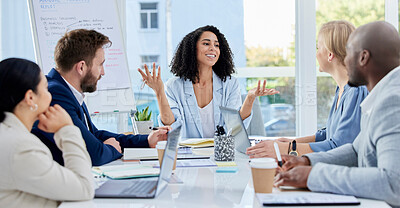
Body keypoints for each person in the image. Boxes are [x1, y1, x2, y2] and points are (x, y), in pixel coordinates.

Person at [274, 21, 400, 207]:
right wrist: (307, 161)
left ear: (363, 58)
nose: (344, 59)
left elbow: (393, 183)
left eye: (348, 52)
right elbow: (357, 150)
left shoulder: (393, 102)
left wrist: (314, 175)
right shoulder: (381, 95)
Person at [32, 29, 171, 166]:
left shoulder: (67, 90)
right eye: (100, 64)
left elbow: (94, 135)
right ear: (81, 67)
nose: (103, 72)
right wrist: (111, 149)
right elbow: (94, 154)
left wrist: (146, 140)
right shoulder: (55, 94)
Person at [246, 20, 368, 158]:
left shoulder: (356, 91)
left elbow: (340, 146)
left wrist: (287, 148)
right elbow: (329, 134)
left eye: (318, 48)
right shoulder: (342, 89)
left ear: (330, 54)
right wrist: (292, 142)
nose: (316, 54)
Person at [138, 25, 279, 138]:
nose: (213, 48)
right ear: (192, 49)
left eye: (217, 45)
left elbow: (234, 127)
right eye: (206, 43)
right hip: (188, 156)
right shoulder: (174, 85)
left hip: (221, 154)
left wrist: (250, 98)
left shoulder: (230, 83)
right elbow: (172, 125)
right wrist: (158, 91)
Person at [0, 58, 93, 207]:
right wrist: (67, 129)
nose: (50, 96)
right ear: (30, 98)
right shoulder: (20, 147)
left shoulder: (9, 134)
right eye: (46, 88)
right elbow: (84, 188)